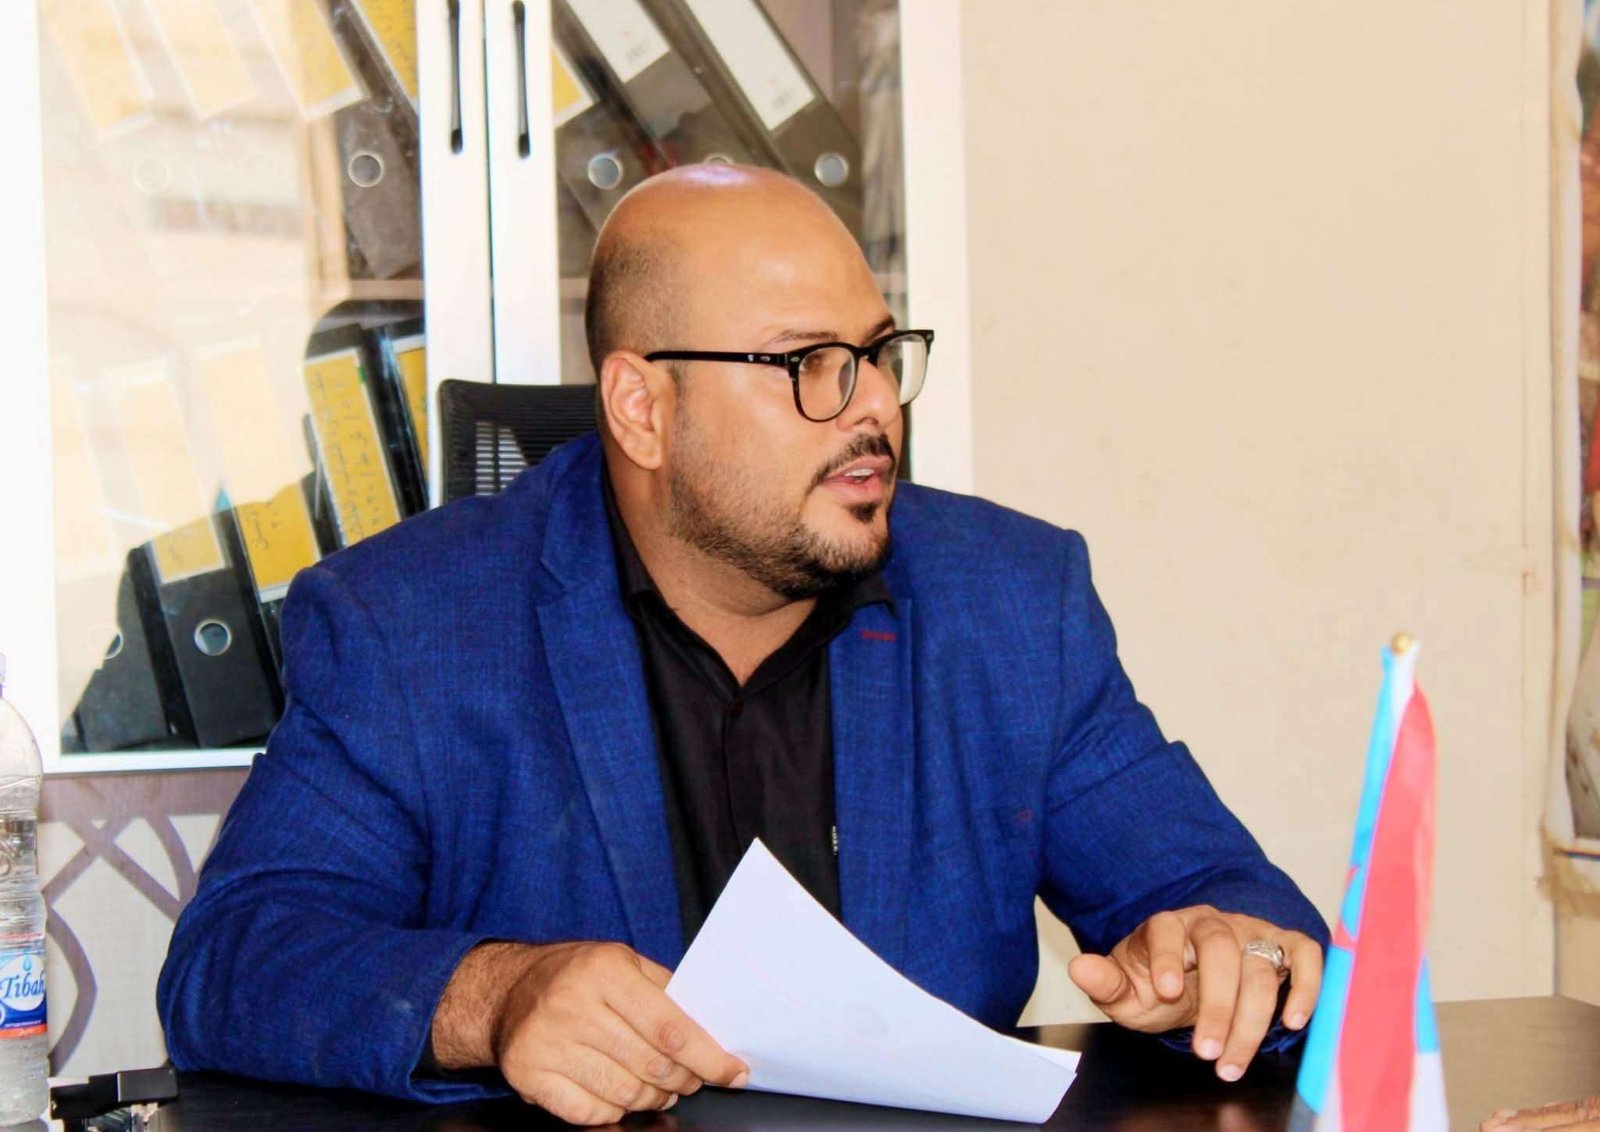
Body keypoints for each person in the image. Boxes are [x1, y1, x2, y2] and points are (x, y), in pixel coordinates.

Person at [157, 164, 1329, 1126]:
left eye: (880, 353)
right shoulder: (410, 625)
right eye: (808, 364)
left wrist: (1228, 954)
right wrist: (496, 996)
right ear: (642, 409)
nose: (874, 407)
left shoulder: (1008, 602)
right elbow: (236, 960)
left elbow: (1224, 897)